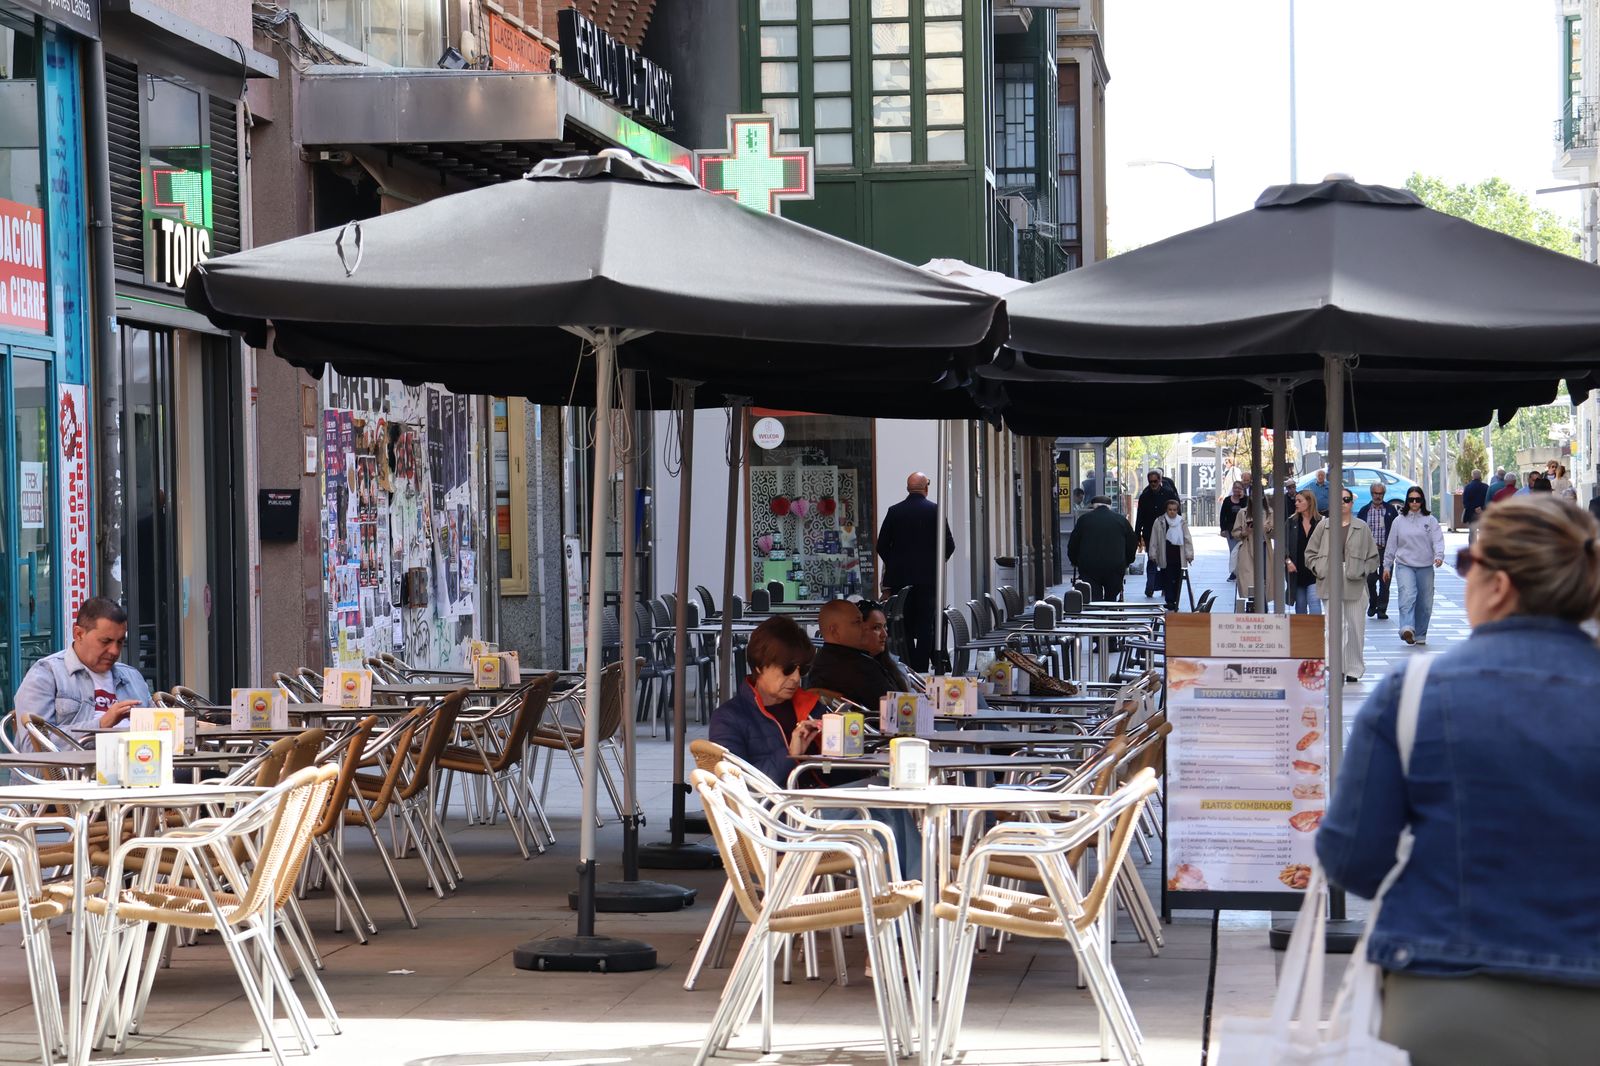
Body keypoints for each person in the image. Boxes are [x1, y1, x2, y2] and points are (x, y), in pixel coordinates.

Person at [1316, 497, 1600, 1066]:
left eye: (1467, 564)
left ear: (1497, 584)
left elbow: (1350, 857)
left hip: (1442, 996)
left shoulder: (1413, 695)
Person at [710, 615, 920, 876]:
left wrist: (842, 746)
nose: (797, 678)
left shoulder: (808, 705)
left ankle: (904, 901)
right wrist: (791, 754)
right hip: (777, 821)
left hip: (815, 807)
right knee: (882, 814)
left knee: (887, 802)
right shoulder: (729, 718)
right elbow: (738, 788)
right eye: (788, 669)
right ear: (760, 666)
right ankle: (909, 903)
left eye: (802, 670)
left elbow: (841, 773)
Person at [14, 597, 153, 732]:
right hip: (79, 755)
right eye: (105, 641)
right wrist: (101, 724)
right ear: (78, 634)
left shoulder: (132, 677)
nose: (114, 651)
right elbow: (33, 744)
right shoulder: (47, 674)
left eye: (120, 642)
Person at [875, 471, 954, 672]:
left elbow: (882, 545)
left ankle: (908, 665)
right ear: (926, 488)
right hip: (929, 579)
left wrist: (894, 564)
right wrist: (935, 563)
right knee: (926, 624)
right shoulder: (935, 511)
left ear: (907, 488)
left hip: (901, 579)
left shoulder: (895, 511)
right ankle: (921, 667)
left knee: (904, 623)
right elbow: (949, 545)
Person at [1306, 487, 1379, 683]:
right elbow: (1310, 552)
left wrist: (1363, 569)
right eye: (1339, 499)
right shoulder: (1324, 526)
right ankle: (1336, 665)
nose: (1342, 503)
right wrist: (1318, 567)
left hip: (1354, 580)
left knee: (1355, 626)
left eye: (1346, 499)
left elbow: (1373, 557)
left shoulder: (1361, 527)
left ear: (1351, 503)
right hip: (1330, 577)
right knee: (1335, 625)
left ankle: (1354, 668)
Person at [807, 599, 902, 708]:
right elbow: (897, 710)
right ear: (835, 631)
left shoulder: (820, 663)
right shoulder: (862, 668)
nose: (863, 627)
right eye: (857, 622)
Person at [1383, 487, 1446, 645]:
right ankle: (1407, 628)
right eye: (1411, 499)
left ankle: (1420, 633)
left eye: (1418, 499)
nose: (1414, 503)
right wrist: (1386, 566)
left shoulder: (1430, 520)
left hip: (1425, 566)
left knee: (1425, 602)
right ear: (1407, 501)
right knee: (1407, 595)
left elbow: (1438, 540)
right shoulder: (1398, 521)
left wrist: (1439, 556)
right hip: (1404, 565)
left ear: (1422, 501)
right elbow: (1391, 544)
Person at [1068, 495, 1138, 602]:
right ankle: (1111, 614)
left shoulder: (1084, 520)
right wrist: (1127, 561)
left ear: (1093, 506)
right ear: (1109, 506)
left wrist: (1074, 560)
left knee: (1094, 598)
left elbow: (1074, 543)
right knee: (1111, 597)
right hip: (1115, 566)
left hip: (1089, 567)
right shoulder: (1121, 520)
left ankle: (1097, 615)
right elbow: (1132, 543)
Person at [1356, 483, 1400, 620]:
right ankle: (1373, 602)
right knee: (1369, 579)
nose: (1378, 496)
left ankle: (1382, 609)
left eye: (1380, 493)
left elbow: (1396, 530)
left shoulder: (1391, 510)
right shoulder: (1364, 511)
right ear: (1371, 494)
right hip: (1369, 552)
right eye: (1375, 493)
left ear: (1384, 495)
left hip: (1385, 550)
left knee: (1385, 580)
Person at [1134, 470, 1179, 598]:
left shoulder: (1169, 494)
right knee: (1152, 559)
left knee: (1165, 561)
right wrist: (1137, 534)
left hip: (1167, 532)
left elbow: (1176, 512)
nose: (1153, 484)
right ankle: (1151, 586)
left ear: (1160, 480)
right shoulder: (1144, 496)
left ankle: (1165, 586)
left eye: (1155, 481)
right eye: (1150, 482)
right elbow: (1140, 516)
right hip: (1149, 532)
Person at [1147, 497, 1194, 611]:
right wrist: (1152, 553)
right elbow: (1154, 539)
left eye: (1174, 509)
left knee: (1177, 579)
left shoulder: (1181, 522)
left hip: (1178, 555)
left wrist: (1189, 554)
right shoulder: (1159, 521)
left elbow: (1187, 539)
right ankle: (1170, 600)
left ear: (1177, 510)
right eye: (1170, 509)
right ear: (1166, 510)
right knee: (1167, 579)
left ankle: (1175, 599)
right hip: (1165, 555)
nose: (1172, 512)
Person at [1282, 489, 1323, 615]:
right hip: (1296, 571)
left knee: (1314, 601)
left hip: (1315, 571)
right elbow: (1282, 545)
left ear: (1309, 502)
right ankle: (1302, 634)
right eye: (1296, 501)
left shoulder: (1321, 522)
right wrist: (1288, 561)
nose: (1296, 504)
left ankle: (1316, 633)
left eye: (1300, 501)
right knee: (1300, 605)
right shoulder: (1291, 522)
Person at [857, 600, 910, 692]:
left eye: (885, 627)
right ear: (857, 630)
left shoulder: (890, 664)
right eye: (876, 628)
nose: (884, 634)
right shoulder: (859, 672)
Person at [1231, 504, 1274, 610]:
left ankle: (1263, 609)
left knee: (1265, 582)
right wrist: (1244, 532)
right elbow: (1235, 533)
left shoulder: (1270, 512)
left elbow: (1276, 533)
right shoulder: (1242, 512)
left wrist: (1267, 529)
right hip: (1247, 551)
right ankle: (1252, 610)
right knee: (1249, 584)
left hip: (1264, 550)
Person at [1218, 481, 1247, 581]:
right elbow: (1223, 516)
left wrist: (1242, 498)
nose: (1237, 490)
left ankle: (1241, 572)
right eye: (1235, 488)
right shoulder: (1227, 500)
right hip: (1231, 530)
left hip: (1243, 530)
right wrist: (1223, 529)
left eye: (1239, 488)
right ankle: (1234, 573)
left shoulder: (1245, 500)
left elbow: (1247, 510)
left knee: (1242, 552)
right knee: (1233, 552)